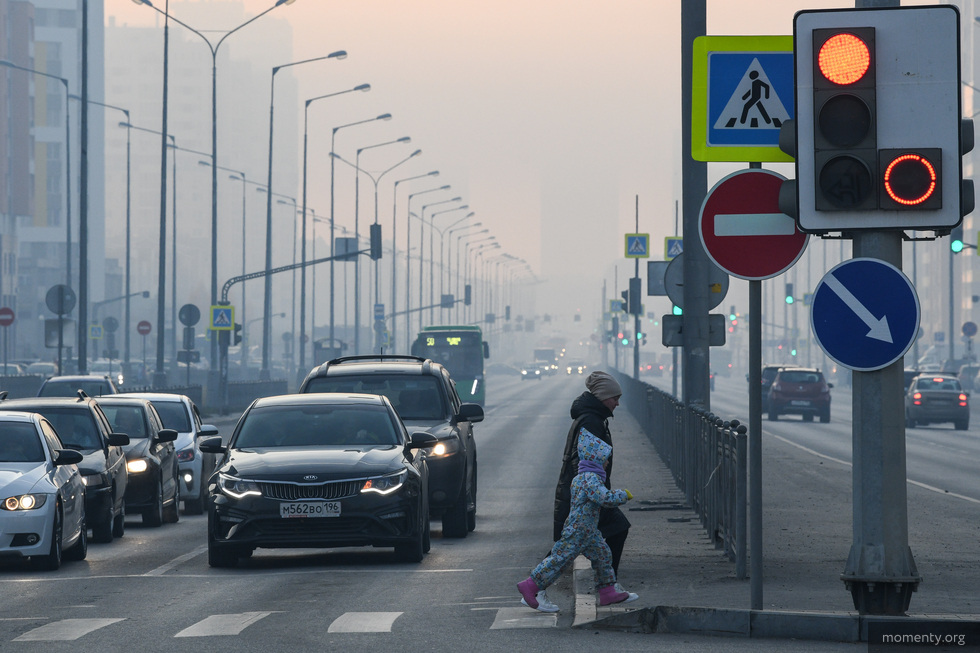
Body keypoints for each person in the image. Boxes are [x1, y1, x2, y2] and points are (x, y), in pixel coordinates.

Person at [518, 432, 639, 612]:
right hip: (579, 530)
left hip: (587, 530)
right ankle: (532, 585)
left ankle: (608, 591)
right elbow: (603, 497)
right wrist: (622, 495)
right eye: (605, 459)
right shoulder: (590, 479)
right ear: (596, 460)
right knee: (560, 559)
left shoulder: (582, 478)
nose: (607, 463)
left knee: (603, 554)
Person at [554, 370, 631, 575]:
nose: (617, 403)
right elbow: (582, 461)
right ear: (604, 397)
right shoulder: (591, 421)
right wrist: (597, 491)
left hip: (587, 491)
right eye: (615, 398)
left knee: (570, 544)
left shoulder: (595, 418)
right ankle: (609, 584)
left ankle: (609, 584)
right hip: (588, 493)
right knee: (613, 529)